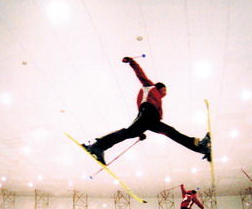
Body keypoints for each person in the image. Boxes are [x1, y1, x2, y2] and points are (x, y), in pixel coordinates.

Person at [83, 57, 211, 165]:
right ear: (158, 87)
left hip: (151, 119)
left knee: (169, 132)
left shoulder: (158, 101)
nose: (165, 93)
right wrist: (132, 62)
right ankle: (97, 146)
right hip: (148, 112)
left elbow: (140, 120)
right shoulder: (150, 87)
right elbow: (140, 74)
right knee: (129, 132)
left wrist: (139, 132)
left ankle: (199, 146)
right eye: (164, 90)